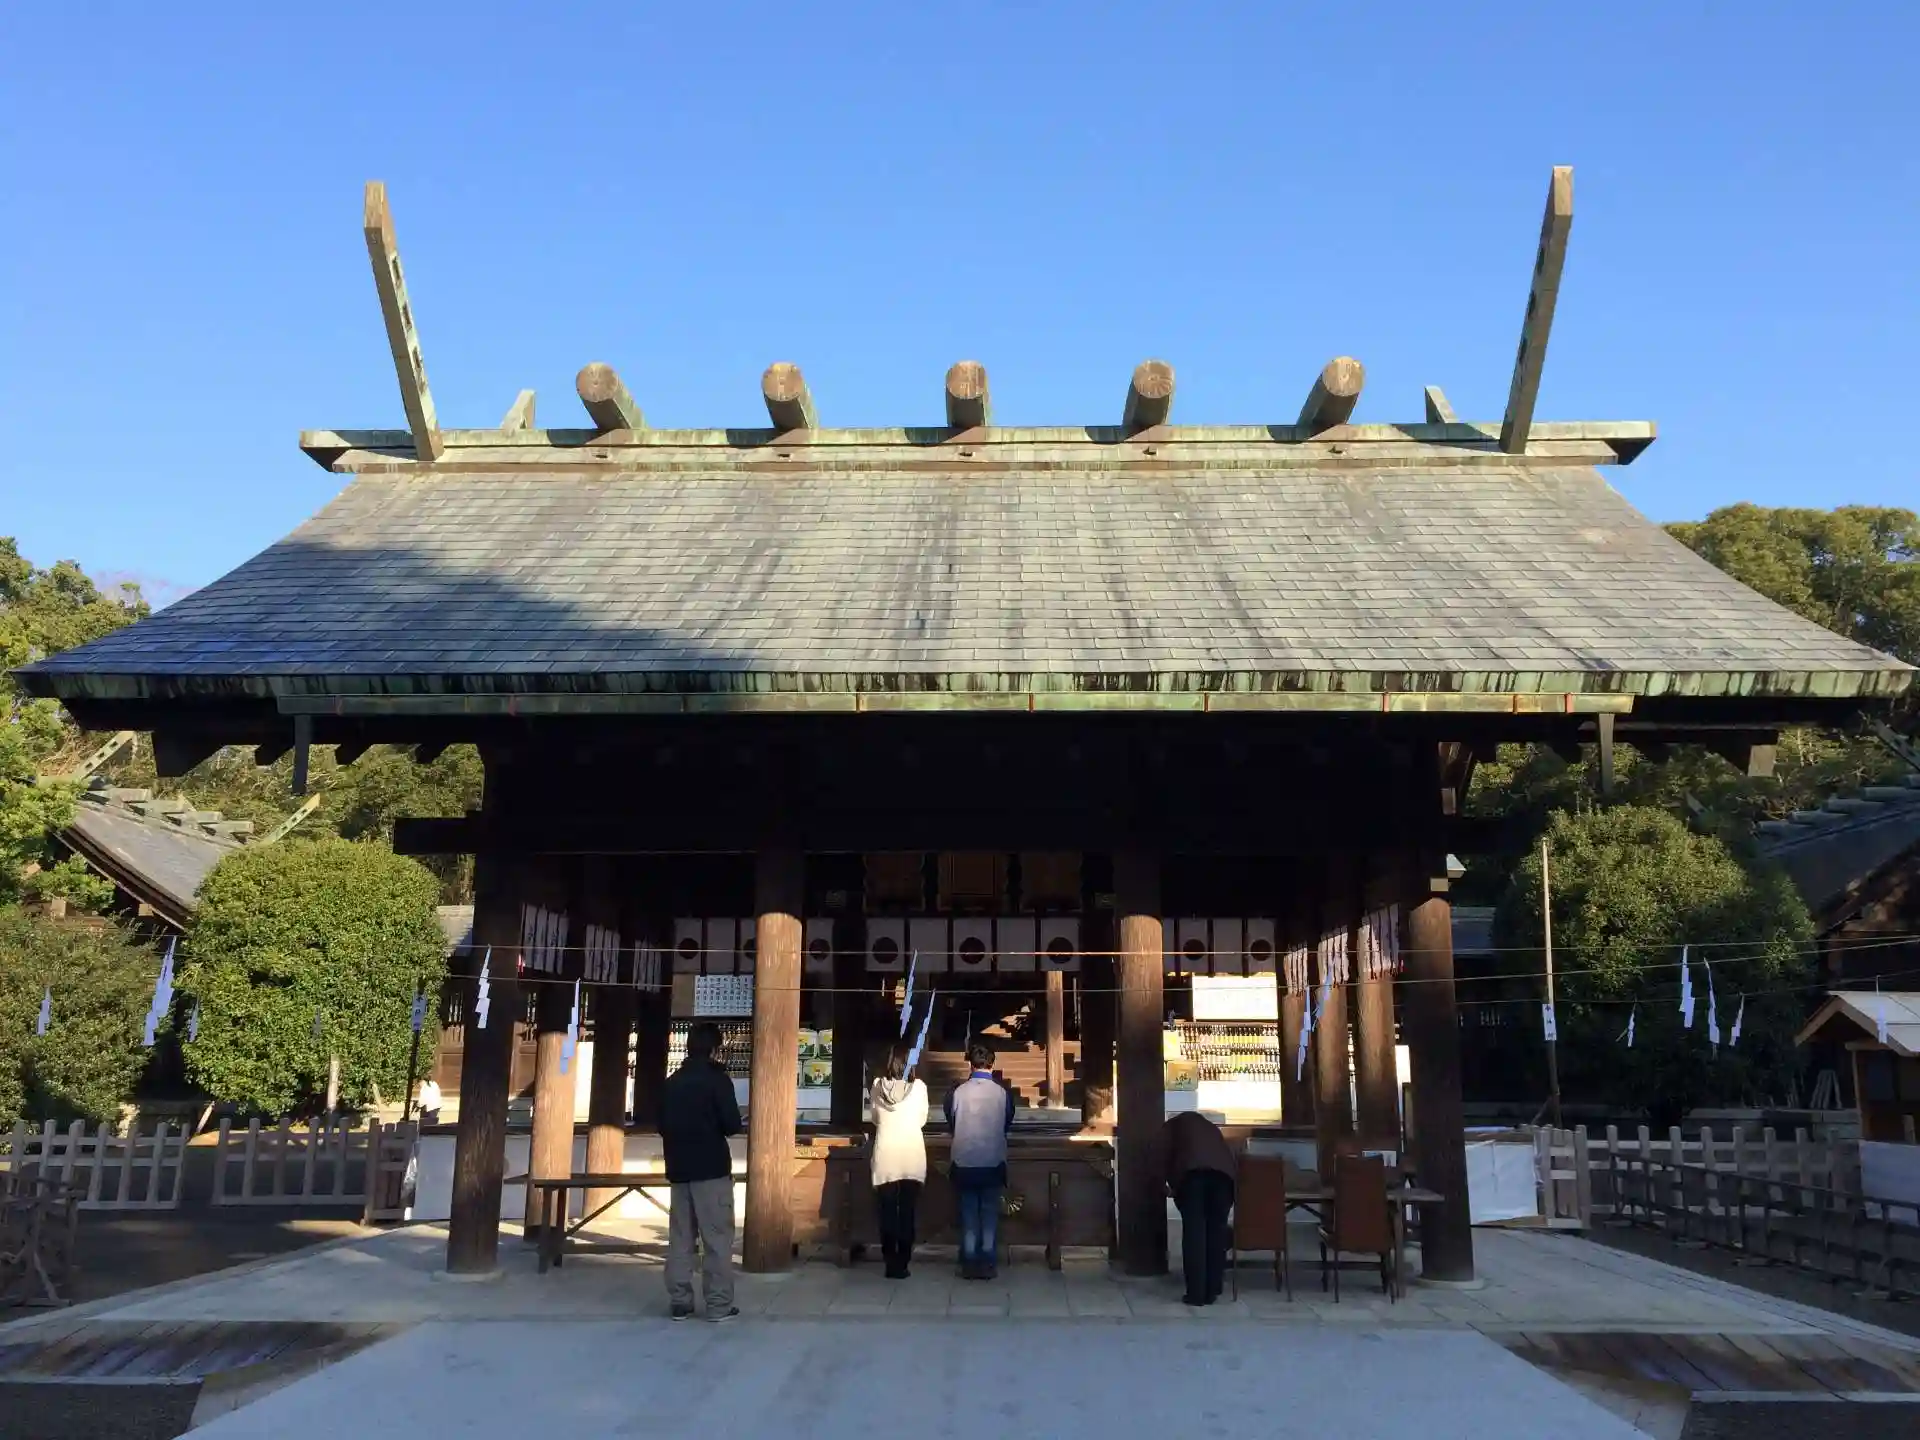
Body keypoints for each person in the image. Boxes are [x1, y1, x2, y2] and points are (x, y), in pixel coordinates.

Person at [659, 1022, 743, 1322]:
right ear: (714, 1049)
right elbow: (732, 1125)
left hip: (679, 1169)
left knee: (681, 1238)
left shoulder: (672, 1082)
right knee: (717, 1239)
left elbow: (661, 1124)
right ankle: (718, 1304)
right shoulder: (718, 1081)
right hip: (712, 1170)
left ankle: (680, 1301)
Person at [944, 1040, 1015, 1280]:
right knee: (989, 1213)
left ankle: (969, 1262)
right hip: (993, 1160)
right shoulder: (1002, 1093)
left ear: (971, 1065)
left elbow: (951, 1121)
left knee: (968, 1214)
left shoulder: (957, 1092)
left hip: (964, 1160)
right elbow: (1006, 1122)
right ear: (992, 1064)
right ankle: (988, 1262)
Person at [1164, 1109, 1238, 1306]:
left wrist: (1164, 1187)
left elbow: (1157, 1160)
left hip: (1192, 1178)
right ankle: (1213, 1289)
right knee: (1216, 1233)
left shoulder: (1171, 1129)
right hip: (1223, 1180)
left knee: (1194, 1233)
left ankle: (1196, 1294)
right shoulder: (1211, 1129)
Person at [869, 1045, 930, 1279]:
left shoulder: (877, 1086)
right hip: (911, 1155)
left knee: (886, 1212)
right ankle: (903, 1262)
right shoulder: (919, 1088)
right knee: (907, 1211)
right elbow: (922, 1119)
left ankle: (889, 1261)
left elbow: (875, 1118)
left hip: (885, 1155)